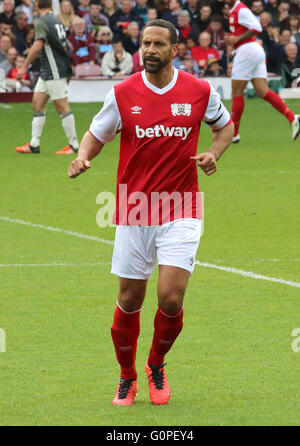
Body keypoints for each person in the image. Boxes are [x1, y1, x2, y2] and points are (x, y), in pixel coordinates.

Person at [68, 19, 234, 406]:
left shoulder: (199, 90)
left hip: (182, 206)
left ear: (175, 50)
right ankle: (127, 377)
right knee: (129, 298)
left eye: (159, 43)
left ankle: (155, 365)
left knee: (171, 298)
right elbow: (97, 133)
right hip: (134, 206)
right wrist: (82, 157)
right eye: (145, 43)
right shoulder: (123, 92)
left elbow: (224, 129)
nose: (150, 50)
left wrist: (213, 153)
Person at [224, 0, 300, 142]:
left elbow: (257, 27)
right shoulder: (234, 9)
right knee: (263, 91)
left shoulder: (240, 9)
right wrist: (233, 38)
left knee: (236, 92)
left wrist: (237, 38)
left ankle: (234, 134)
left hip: (247, 50)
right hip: (254, 49)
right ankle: (293, 117)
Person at [15, 0, 79, 154]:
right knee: (37, 103)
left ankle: (74, 145)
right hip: (48, 70)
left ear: (36, 6)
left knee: (62, 107)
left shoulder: (41, 22)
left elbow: (37, 46)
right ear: (51, 6)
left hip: (54, 69)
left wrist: (23, 67)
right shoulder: (56, 20)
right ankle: (34, 144)